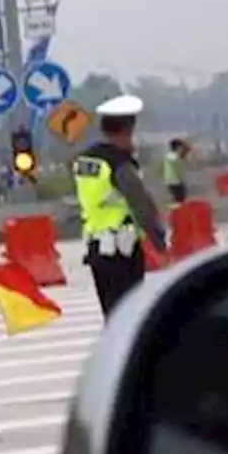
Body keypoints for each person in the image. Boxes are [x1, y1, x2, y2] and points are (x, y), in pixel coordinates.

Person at [73, 94, 168, 316]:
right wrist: (159, 242)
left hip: (97, 248)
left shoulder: (85, 160)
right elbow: (140, 203)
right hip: (122, 252)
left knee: (112, 313)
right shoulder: (119, 164)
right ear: (128, 129)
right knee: (129, 313)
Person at [164, 137, 192, 204]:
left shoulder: (170, 156)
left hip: (175, 181)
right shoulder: (172, 156)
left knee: (179, 200)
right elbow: (179, 159)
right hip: (175, 181)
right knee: (180, 201)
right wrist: (186, 148)